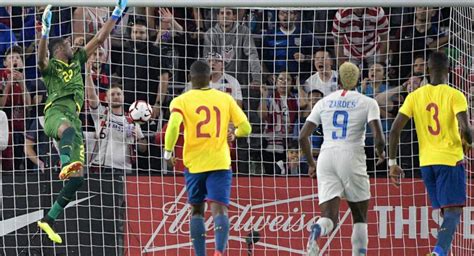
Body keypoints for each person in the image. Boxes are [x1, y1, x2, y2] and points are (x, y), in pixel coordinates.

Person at [36, 0, 128, 244]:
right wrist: (44, 33)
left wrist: (117, 13)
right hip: (56, 112)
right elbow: (41, 59)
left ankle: (49, 219)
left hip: (74, 121)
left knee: (78, 179)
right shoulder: (52, 66)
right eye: (67, 43)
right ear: (58, 50)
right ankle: (65, 163)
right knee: (66, 133)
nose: (71, 44)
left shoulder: (77, 61)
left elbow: (99, 38)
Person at [388, 51, 472, 256]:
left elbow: (395, 129)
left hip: (426, 164)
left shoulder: (415, 96)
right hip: (449, 160)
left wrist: (392, 163)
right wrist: (468, 142)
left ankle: (443, 251)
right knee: (453, 211)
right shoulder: (455, 95)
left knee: (446, 211)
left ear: (427, 70)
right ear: (449, 71)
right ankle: (438, 252)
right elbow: (467, 130)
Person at [164, 60, 251, 256]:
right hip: (220, 162)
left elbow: (173, 127)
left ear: (189, 78)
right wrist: (234, 134)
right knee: (219, 210)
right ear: (211, 78)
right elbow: (246, 127)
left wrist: (167, 152)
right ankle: (219, 251)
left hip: (194, 164)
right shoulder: (225, 99)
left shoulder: (180, 101)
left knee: (196, 211)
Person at [299, 62, 385, 256]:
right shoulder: (367, 102)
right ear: (357, 79)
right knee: (360, 216)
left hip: (326, 156)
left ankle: (317, 230)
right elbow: (379, 137)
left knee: (329, 217)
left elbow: (302, 136)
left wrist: (311, 164)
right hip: (352, 155)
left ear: (338, 79)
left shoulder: (324, 101)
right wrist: (382, 154)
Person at [85, 56, 147, 173]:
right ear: (107, 99)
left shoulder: (132, 120)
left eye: (118, 94)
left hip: (125, 169)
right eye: (112, 95)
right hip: (102, 167)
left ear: (123, 97)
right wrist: (88, 76)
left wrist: (138, 140)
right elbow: (92, 97)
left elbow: (143, 149)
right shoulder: (101, 113)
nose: (116, 96)